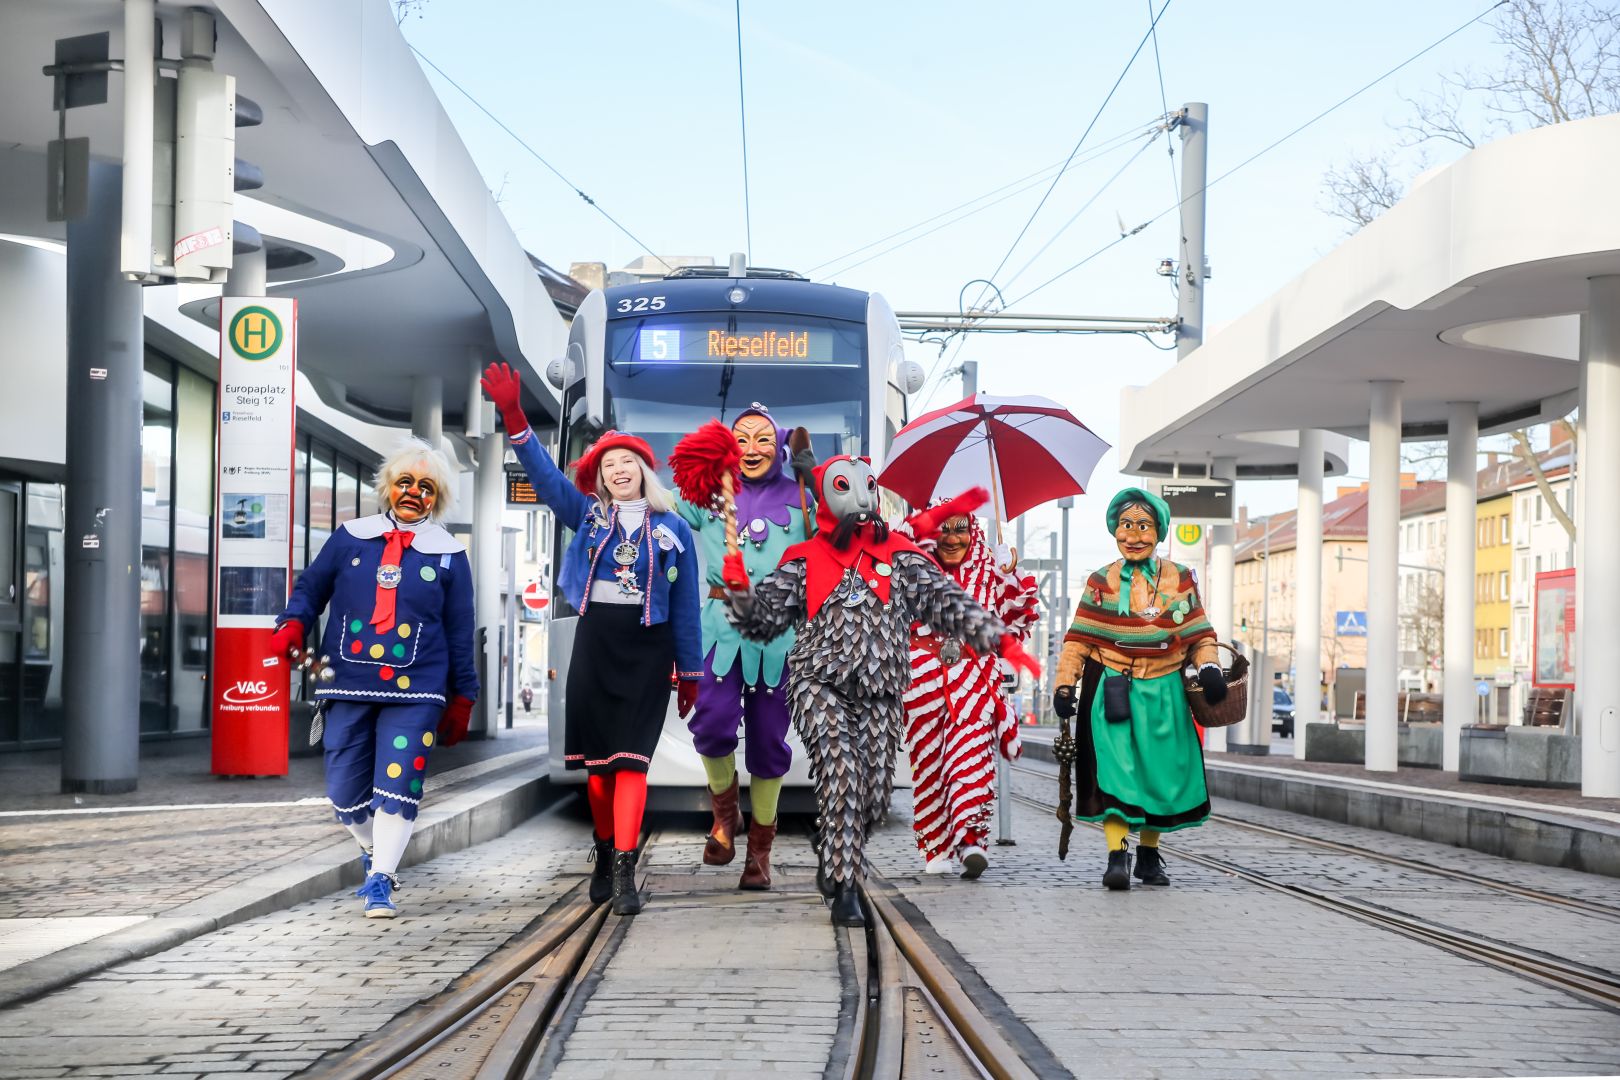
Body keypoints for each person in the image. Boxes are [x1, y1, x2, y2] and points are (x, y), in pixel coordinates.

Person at [721, 456, 1035, 926]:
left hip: (883, 691)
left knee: (871, 795)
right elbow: (760, 621)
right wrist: (739, 589)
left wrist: (1005, 642)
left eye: (869, 487)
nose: (862, 499)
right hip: (818, 683)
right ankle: (848, 886)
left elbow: (949, 605)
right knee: (841, 772)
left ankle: (835, 852)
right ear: (827, 496)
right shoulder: (803, 560)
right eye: (847, 488)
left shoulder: (904, 556)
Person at [482, 362, 702, 916]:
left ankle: (625, 870)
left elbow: (686, 606)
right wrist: (514, 416)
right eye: (610, 464)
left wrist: (690, 670)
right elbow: (547, 478)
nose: (620, 469)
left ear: (644, 471)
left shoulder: (674, 528)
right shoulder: (586, 516)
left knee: (631, 762)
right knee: (600, 771)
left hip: (648, 650)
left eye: (629, 461)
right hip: (596, 641)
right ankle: (603, 851)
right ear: (599, 476)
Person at [268, 438, 477, 918]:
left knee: (399, 785)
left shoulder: (449, 554)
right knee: (343, 793)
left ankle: (381, 878)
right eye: (405, 482)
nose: (413, 493)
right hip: (346, 681)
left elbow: (461, 632)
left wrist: (464, 696)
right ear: (389, 487)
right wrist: (293, 622)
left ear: (436, 498)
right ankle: (371, 849)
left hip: (419, 688)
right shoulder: (349, 537)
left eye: (425, 487)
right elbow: (310, 589)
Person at [670, 405, 815, 890]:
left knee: (770, 741)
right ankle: (724, 815)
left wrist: (813, 480)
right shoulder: (710, 494)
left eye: (763, 441)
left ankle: (760, 850)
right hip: (720, 629)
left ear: (778, 446)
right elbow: (658, 502)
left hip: (779, 635)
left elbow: (842, 535)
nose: (752, 449)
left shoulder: (800, 496)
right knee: (710, 723)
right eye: (742, 439)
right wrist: (617, 468)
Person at [1052, 488, 1226, 891]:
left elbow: (1200, 635)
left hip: (1165, 690)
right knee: (1115, 775)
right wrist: (1065, 685)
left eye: (1143, 526)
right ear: (1115, 529)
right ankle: (1117, 854)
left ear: (1159, 531)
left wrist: (1211, 666)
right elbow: (1078, 640)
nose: (1133, 535)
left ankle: (1148, 854)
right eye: (1126, 525)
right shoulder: (1100, 582)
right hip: (1111, 688)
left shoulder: (1180, 579)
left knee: (1159, 776)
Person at [900, 501, 1040, 878]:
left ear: (973, 531)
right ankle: (936, 845)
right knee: (928, 765)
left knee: (972, 758)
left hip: (976, 675)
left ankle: (970, 840)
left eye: (960, 528)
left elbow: (1019, 618)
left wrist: (1009, 572)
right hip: (923, 679)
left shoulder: (990, 566)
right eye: (942, 529)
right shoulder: (912, 564)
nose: (952, 538)